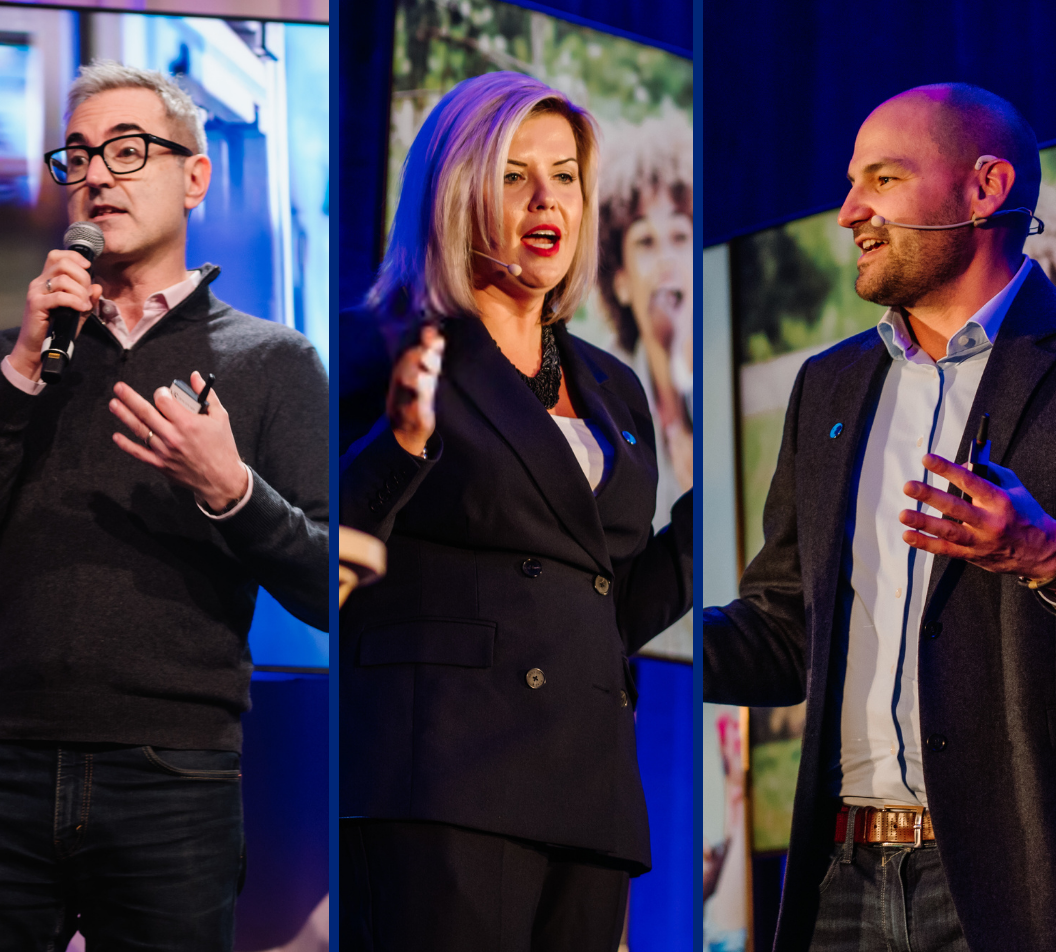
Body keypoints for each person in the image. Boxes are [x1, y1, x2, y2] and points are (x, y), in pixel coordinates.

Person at [0, 61, 328, 950]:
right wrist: (19, 376)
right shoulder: (6, 359)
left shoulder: (272, 362)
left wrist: (231, 490)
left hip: (175, 774)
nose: (96, 174)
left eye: (128, 151)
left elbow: (333, 588)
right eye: (79, 157)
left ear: (195, 177)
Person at [339, 71, 693, 952]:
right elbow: (328, 545)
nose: (548, 200)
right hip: (448, 777)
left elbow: (607, 603)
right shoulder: (382, 345)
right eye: (513, 175)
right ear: (457, 190)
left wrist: (705, 529)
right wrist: (404, 441)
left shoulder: (613, 384)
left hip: (587, 785)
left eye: (566, 175)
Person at [704, 83, 1056, 951]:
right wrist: (631, 638)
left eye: (884, 179)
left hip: (1018, 880)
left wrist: (1042, 551)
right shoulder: (829, 386)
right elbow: (786, 631)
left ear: (985, 188)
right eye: (852, 182)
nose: (849, 211)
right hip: (841, 883)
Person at [597, 113, 693, 523]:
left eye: (679, 236)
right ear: (620, 280)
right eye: (646, 242)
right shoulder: (599, 399)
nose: (667, 260)